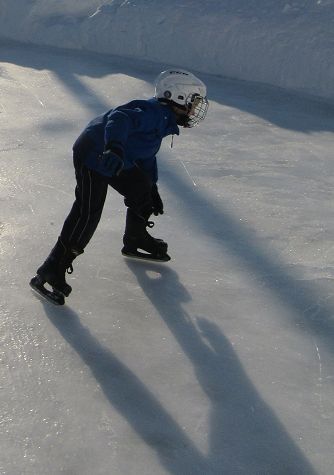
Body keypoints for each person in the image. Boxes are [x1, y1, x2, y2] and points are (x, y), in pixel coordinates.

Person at [30, 69, 209, 305]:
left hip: (116, 156)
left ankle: (135, 238)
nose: (195, 110)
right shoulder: (151, 112)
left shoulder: (164, 121)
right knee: (88, 213)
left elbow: (145, 153)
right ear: (177, 98)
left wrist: (151, 187)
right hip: (95, 152)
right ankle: (50, 269)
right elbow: (120, 118)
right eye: (193, 102)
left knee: (141, 187)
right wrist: (113, 146)